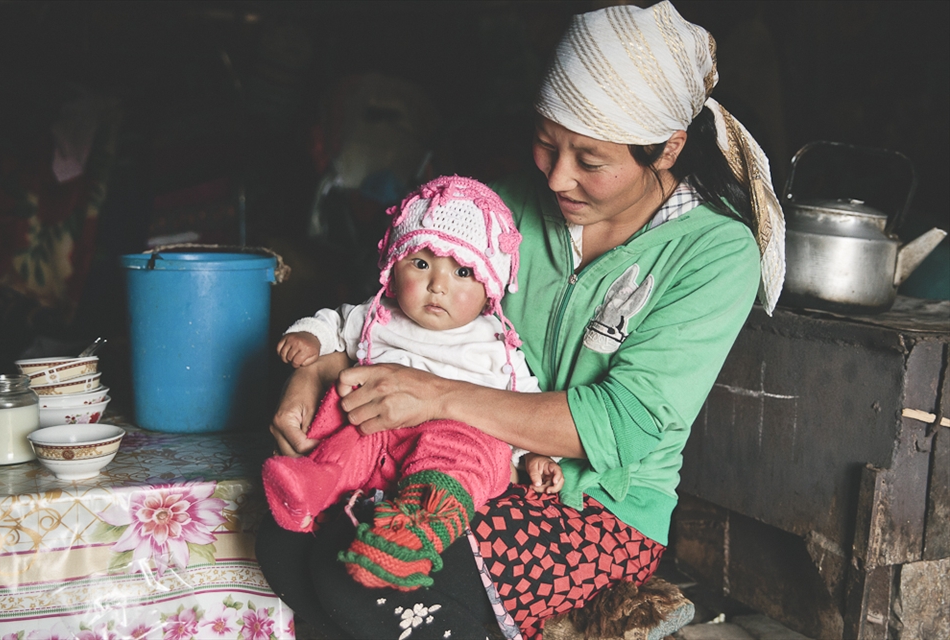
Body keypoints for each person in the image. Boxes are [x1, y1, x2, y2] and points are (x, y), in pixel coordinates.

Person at [256, 3, 785, 639]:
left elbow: (622, 424)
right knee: (282, 537)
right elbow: (401, 316)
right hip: (455, 458)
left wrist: (437, 395)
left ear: (668, 148)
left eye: (589, 160)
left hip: (596, 508)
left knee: (362, 581)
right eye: (546, 142)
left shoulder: (714, 252)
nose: (557, 176)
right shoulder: (498, 210)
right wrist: (317, 368)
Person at [262, 175, 562, 592]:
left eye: (462, 271)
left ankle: (411, 536)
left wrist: (534, 456)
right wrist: (309, 337)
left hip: (448, 445)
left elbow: (524, 403)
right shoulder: (378, 315)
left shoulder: (496, 344)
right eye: (421, 264)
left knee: (473, 453)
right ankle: (311, 486)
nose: (438, 285)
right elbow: (333, 323)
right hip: (374, 432)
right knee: (342, 415)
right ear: (392, 266)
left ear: (490, 288)